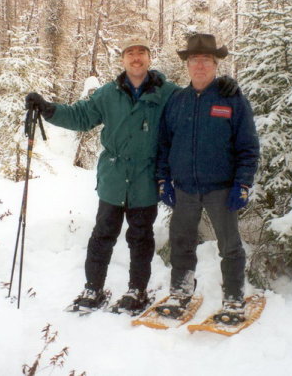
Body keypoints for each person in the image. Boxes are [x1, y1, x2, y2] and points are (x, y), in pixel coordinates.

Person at [25, 37, 239, 315]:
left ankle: (137, 291)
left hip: (145, 178)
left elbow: (196, 99)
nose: (136, 58)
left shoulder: (168, 93)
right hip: (113, 179)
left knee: (140, 237)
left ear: (150, 58)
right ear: (123, 59)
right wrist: (47, 108)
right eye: (130, 53)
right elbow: (80, 116)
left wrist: (224, 87)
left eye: (141, 52)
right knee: (102, 234)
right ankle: (93, 289)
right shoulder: (107, 93)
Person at [156, 33, 259, 323]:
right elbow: (164, 144)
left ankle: (234, 297)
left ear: (215, 64)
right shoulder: (177, 101)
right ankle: (181, 291)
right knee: (181, 242)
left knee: (230, 246)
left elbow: (248, 146)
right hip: (185, 188)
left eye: (206, 60)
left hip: (221, 189)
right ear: (187, 65)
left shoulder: (231, 98)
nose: (200, 66)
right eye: (194, 60)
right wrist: (164, 180)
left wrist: (242, 183)